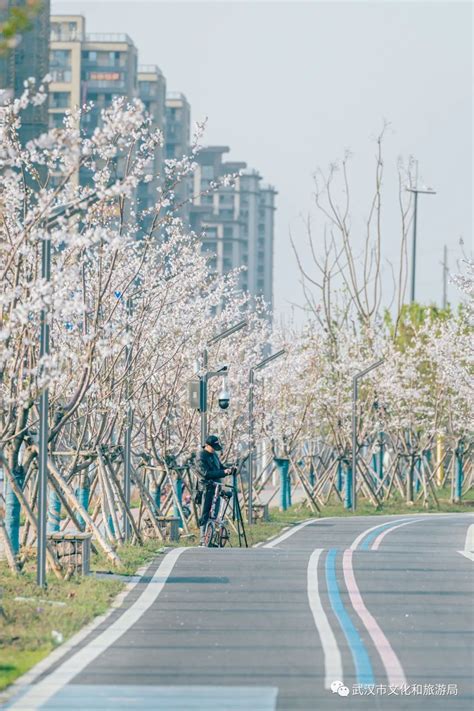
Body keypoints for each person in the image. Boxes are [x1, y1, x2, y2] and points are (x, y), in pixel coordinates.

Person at [196, 434, 232, 543]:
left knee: (215, 513)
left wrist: (229, 470)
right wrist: (223, 472)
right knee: (205, 513)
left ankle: (212, 535)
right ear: (207, 445)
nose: (214, 450)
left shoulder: (214, 455)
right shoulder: (201, 456)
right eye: (213, 448)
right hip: (206, 488)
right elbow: (205, 473)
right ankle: (203, 538)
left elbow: (220, 468)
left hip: (216, 487)